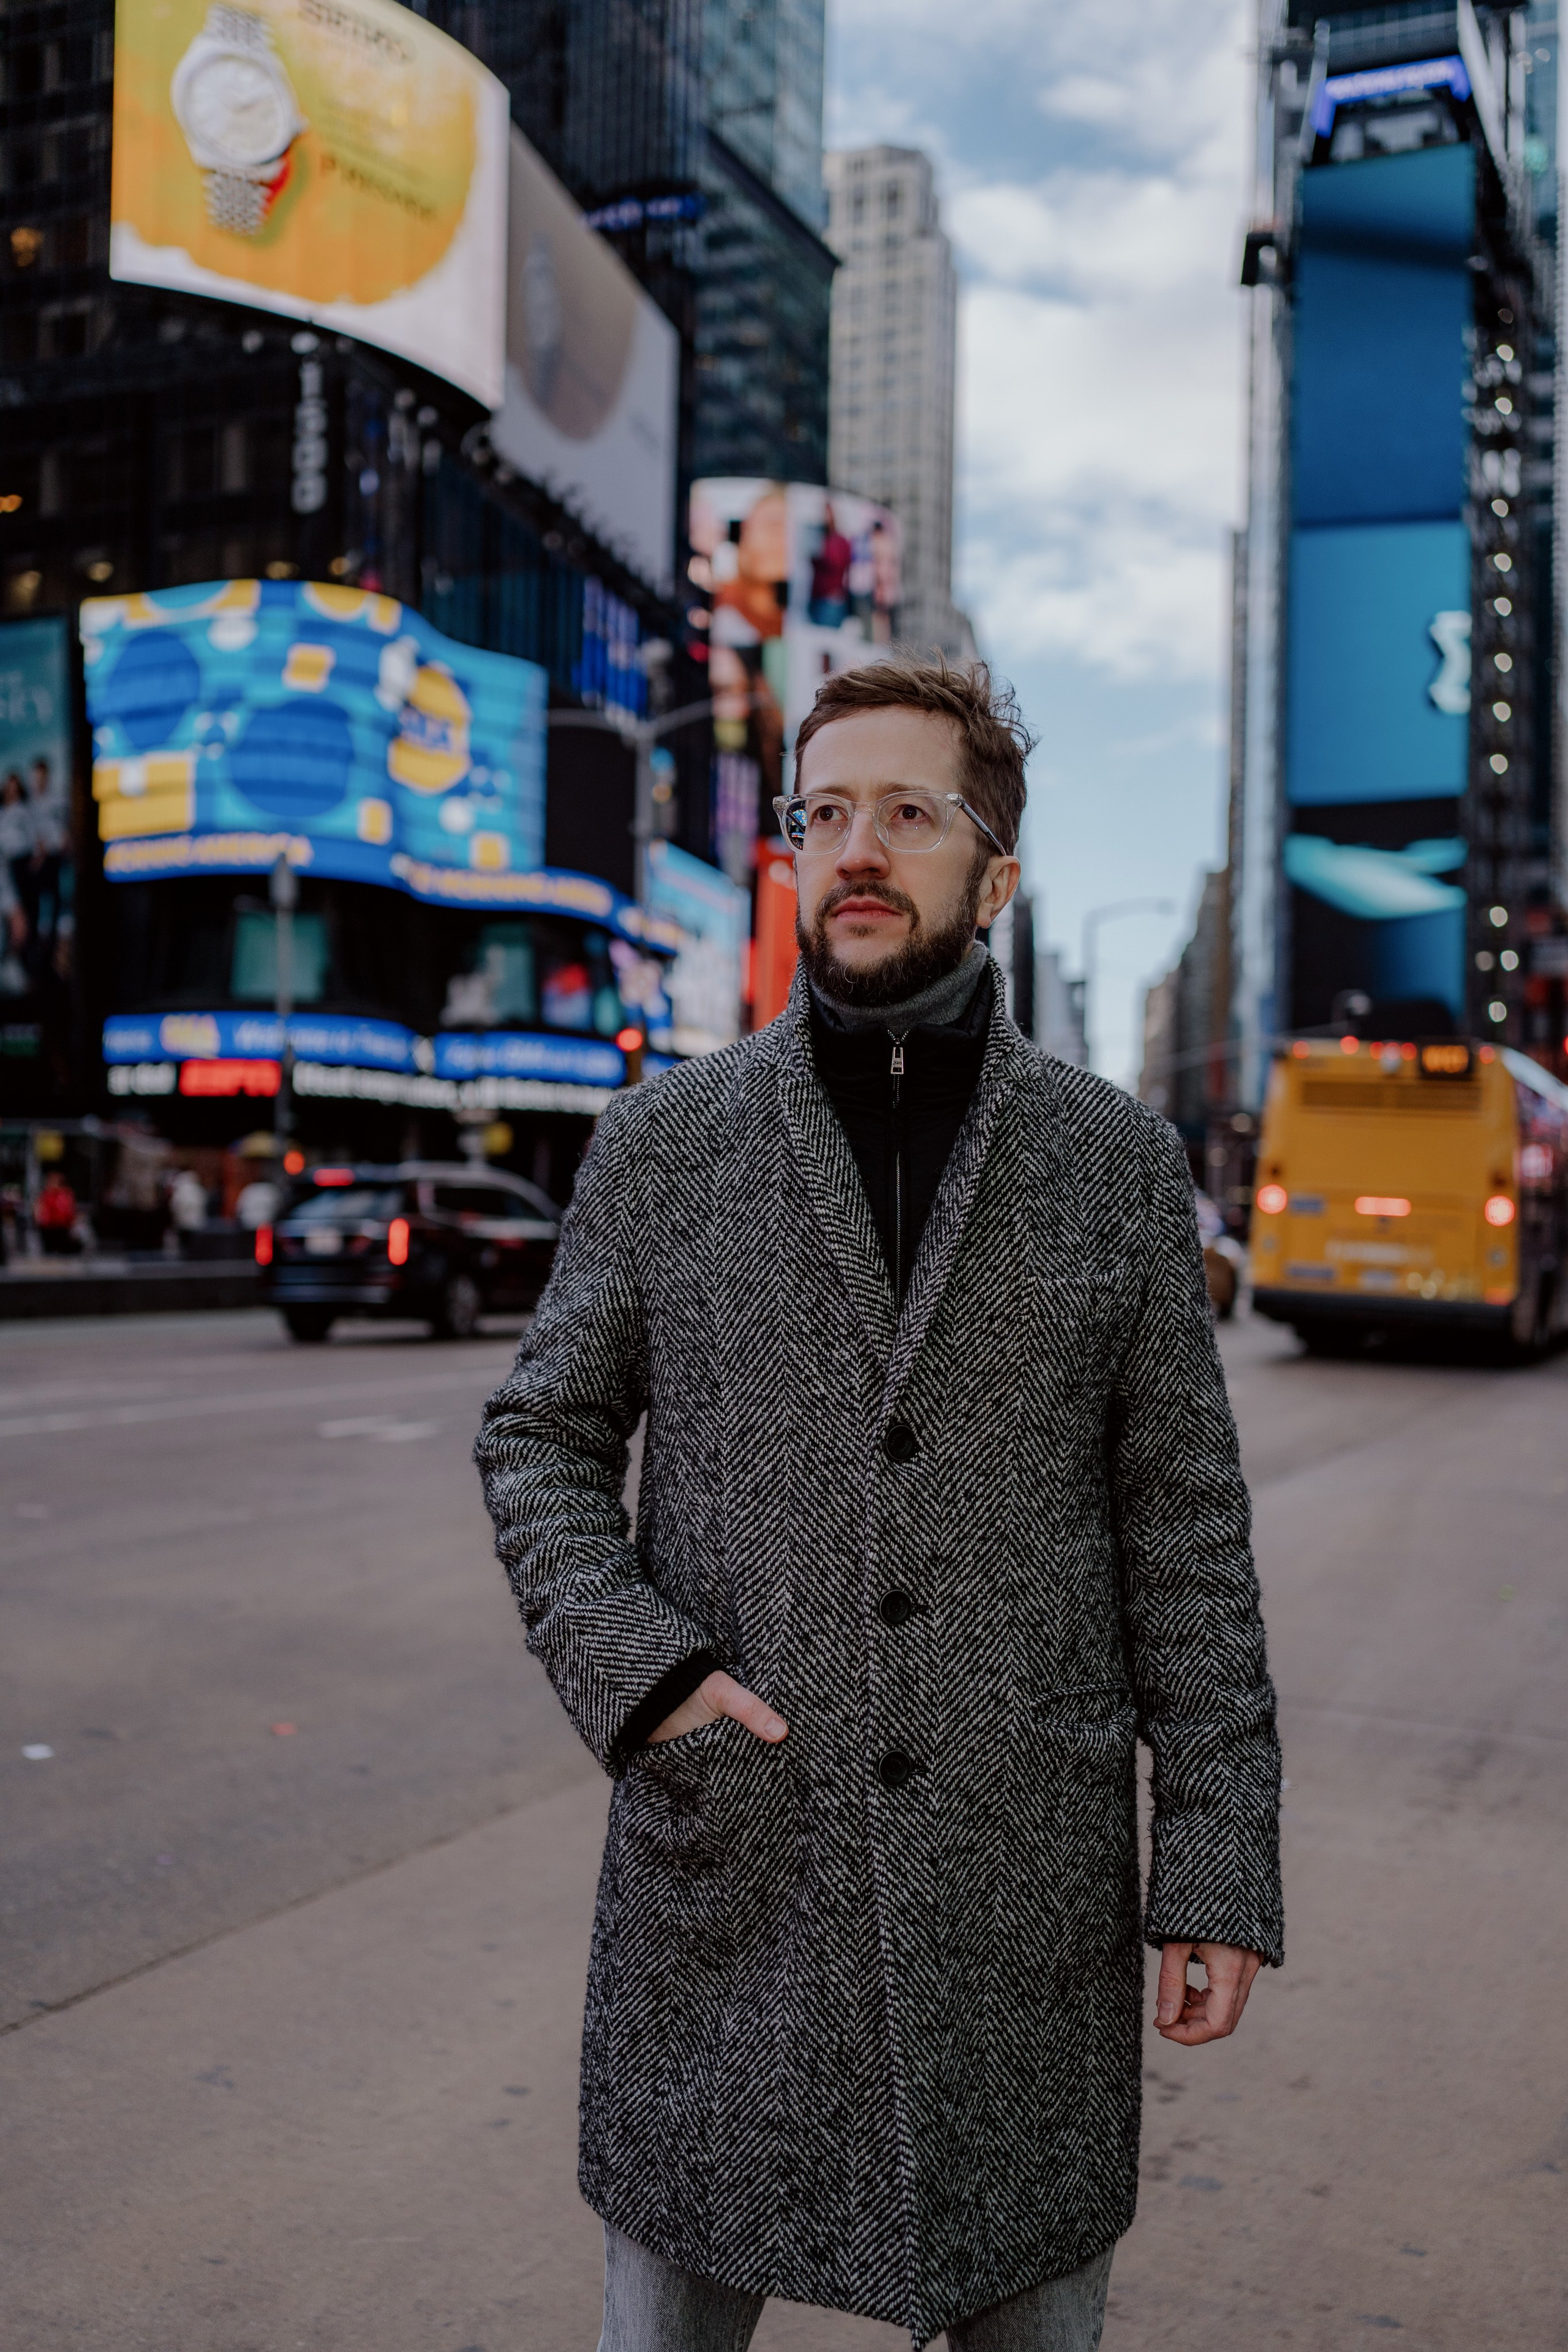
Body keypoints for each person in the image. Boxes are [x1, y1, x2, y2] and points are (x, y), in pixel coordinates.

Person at [475, 656, 1283, 2352]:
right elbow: (539, 1439)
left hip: (1023, 1904)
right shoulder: (663, 1145)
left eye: (910, 812)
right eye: (823, 812)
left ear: (994, 874)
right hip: (731, 1882)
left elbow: (1185, 1531)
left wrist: (1213, 1861)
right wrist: (648, 1681)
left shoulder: (1113, 1164)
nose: (858, 846)